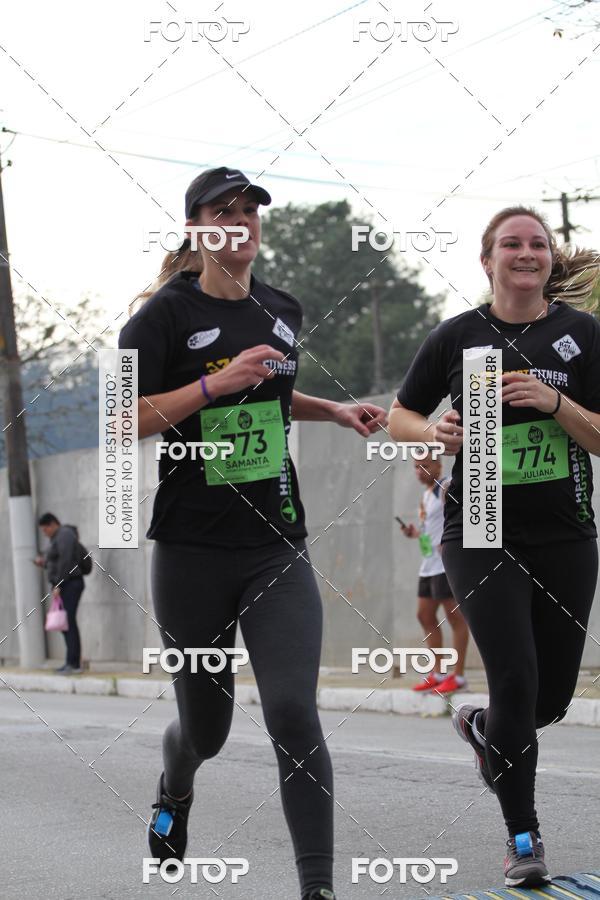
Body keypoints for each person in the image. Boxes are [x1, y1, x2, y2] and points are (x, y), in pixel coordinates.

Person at [119, 166, 387, 900]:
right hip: (192, 551)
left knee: (294, 713)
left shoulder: (281, 306)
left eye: (250, 211)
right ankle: (176, 786)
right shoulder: (159, 320)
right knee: (205, 729)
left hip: (276, 542)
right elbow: (120, 421)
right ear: (195, 228)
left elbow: (269, 387)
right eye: (223, 212)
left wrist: (328, 409)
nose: (240, 222)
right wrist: (213, 384)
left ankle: (318, 889)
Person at [389, 205, 600, 888]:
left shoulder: (582, 335)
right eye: (511, 243)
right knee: (513, 680)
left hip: (566, 532)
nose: (526, 252)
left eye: (537, 243)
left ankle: (485, 729)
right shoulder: (457, 336)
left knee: (547, 700)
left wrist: (554, 403)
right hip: (478, 531)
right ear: (488, 261)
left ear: (547, 259)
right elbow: (400, 414)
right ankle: (522, 836)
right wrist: (434, 437)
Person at [398, 452, 469, 693]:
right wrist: (413, 533)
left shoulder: (446, 486)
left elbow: (467, 513)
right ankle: (437, 672)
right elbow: (429, 529)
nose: (420, 471)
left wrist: (454, 541)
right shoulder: (427, 496)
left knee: (455, 618)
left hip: (445, 564)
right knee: (424, 615)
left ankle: (457, 677)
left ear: (438, 465)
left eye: (425, 466)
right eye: (416, 467)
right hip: (428, 565)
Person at [35, 512, 85, 674]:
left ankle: (74, 664)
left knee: (68, 623)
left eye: (45, 530)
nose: (45, 533)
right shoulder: (58, 537)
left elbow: (66, 561)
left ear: (52, 524)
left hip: (70, 584)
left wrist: (59, 584)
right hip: (65, 584)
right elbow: (57, 562)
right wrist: (44, 563)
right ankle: (70, 662)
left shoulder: (64, 534)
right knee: (66, 624)